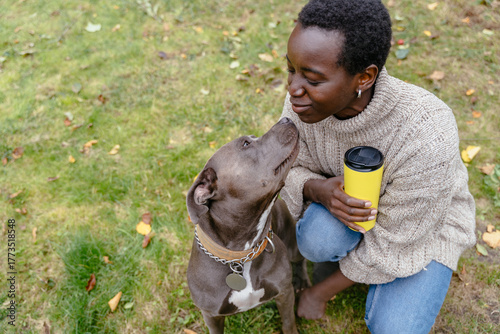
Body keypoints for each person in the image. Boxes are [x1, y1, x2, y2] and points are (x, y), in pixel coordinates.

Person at [279, 0, 476, 333]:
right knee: (318, 239)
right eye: (290, 69)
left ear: (365, 77)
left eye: (312, 79)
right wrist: (317, 190)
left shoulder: (427, 132)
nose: (293, 89)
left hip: (422, 230)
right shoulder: (303, 102)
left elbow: (396, 243)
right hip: (349, 211)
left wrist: (317, 293)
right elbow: (288, 166)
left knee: (395, 328)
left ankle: (351, 273)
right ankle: (345, 257)